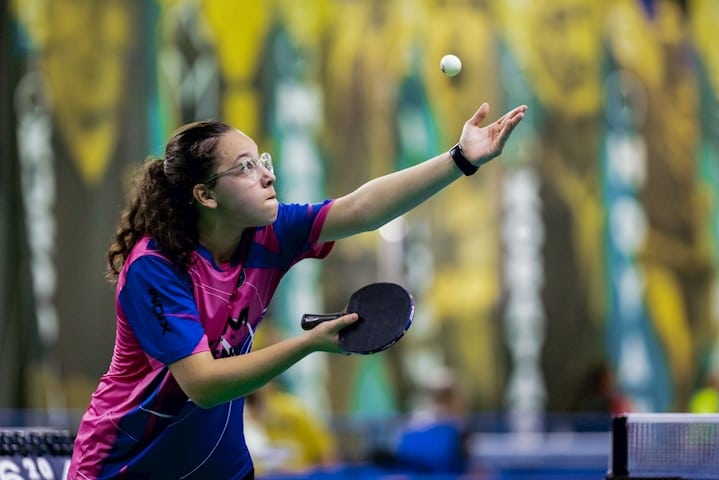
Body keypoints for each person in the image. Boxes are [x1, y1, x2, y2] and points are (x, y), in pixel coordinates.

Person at [67, 101, 527, 479]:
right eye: (244, 168)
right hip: (123, 466)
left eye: (262, 161)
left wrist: (460, 159)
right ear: (206, 196)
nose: (267, 175)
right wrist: (308, 344)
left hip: (216, 468)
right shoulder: (156, 265)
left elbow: (362, 208)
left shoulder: (271, 233)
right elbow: (203, 385)